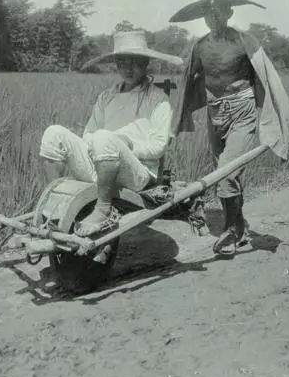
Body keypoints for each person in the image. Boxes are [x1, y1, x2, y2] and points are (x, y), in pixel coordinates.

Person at [169, 0, 289, 256]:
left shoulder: (244, 42)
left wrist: (279, 119)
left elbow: (267, 76)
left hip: (243, 111)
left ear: (230, 13)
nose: (215, 16)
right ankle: (239, 229)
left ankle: (228, 231)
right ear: (203, 16)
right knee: (227, 174)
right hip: (215, 115)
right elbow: (186, 80)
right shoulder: (199, 47)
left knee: (225, 171)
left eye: (220, 9)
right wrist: (173, 119)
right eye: (209, 11)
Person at [39, 30, 183, 263]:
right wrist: (96, 147)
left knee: (105, 137)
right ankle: (53, 205)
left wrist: (127, 145)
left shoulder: (158, 99)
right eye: (122, 62)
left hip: (137, 174)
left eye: (134, 62)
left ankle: (103, 207)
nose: (128, 68)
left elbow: (158, 147)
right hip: (103, 164)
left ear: (145, 63)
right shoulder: (106, 97)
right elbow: (88, 132)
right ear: (116, 64)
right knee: (54, 133)